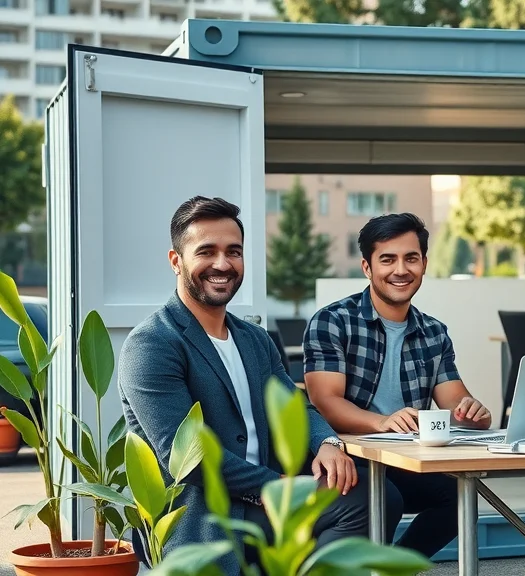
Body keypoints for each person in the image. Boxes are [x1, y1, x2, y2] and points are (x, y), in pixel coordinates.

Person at [118, 196, 399, 574]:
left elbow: (295, 405)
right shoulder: (152, 344)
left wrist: (328, 444)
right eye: (207, 251)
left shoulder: (254, 339)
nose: (223, 264)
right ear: (176, 261)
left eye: (233, 251)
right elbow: (187, 457)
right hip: (205, 516)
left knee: (378, 495)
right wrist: (275, 485)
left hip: (260, 501)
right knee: (365, 502)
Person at [303, 212, 492, 559]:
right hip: (346, 454)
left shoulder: (434, 332)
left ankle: (396, 567)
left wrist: (472, 411)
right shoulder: (332, 321)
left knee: (460, 496)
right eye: (387, 259)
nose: (400, 270)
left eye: (411, 258)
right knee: (385, 499)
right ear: (367, 266)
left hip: (403, 457)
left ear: (423, 263)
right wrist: (381, 421)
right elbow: (324, 402)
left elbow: (455, 399)